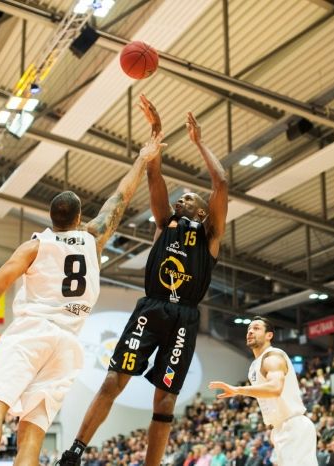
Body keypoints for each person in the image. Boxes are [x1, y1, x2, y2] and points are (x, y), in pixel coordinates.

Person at [0, 97, 167, 466]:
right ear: (80, 216)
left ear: (51, 218)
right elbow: (121, 195)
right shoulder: (94, 237)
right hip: (68, 346)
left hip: (32, 333)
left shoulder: (34, 247)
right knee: (33, 428)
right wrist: (144, 156)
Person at [58, 99, 228, 466]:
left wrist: (199, 143)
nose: (179, 198)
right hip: (151, 307)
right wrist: (157, 130)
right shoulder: (165, 222)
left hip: (184, 317)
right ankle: (74, 452)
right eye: (178, 197)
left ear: (200, 211)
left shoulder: (210, 235)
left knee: (165, 399)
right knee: (113, 380)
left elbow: (222, 182)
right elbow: (153, 173)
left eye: (188, 198)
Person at [208, 316, 318, 466]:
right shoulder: (254, 366)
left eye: (256, 328)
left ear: (269, 335)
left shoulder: (272, 357)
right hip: (279, 428)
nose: (250, 332)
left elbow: (275, 388)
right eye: (249, 329)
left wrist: (238, 390)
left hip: (293, 426)